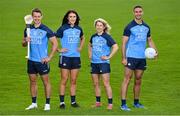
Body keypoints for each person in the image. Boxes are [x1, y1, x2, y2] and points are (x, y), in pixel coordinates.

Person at [120, 5, 158, 111]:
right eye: (136, 12)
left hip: (142, 58)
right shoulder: (129, 27)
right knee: (127, 79)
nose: (138, 13)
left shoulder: (146, 27)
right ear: (133, 13)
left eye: (140, 11)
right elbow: (123, 43)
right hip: (131, 56)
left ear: (142, 12)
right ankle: (123, 104)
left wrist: (155, 51)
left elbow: (149, 40)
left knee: (138, 80)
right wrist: (124, 58)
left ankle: (136, 103)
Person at [22, 8, 58, 111]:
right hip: (31, 60)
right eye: (35, 16)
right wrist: (25, 40)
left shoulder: (46, 30)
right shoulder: (28, 29)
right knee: (32, 82)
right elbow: (23, 44)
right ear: (32, 17)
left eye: (38, 16)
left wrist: (49, 57)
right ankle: (34, 103)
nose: (37, 18)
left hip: (42, 61)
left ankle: (47, 104)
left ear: (41, 17)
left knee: (46, 82)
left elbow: (55, 43)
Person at [56, 10, 85, 109]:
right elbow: (53, 38)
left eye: (74, 17)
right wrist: (58, 49)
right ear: (67, 18)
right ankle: (62, 102)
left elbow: (83, 37)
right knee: (64, 79)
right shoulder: (63, 28)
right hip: (65, 57)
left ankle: (73, 102)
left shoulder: (79, 29)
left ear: (76, 18)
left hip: (76, 57)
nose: (72, 18)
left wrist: (80, 47)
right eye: (70, 16)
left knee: (73, 80)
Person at [88, 18, 118, 110]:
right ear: (95, 26)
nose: (99, 27)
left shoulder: (107, 37)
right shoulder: (93, 36)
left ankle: (110, 104)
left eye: (101, 25)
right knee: (96, 83)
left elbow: (116, 47)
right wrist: (90, 54)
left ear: (104, 27)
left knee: (106, 84)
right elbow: (89, 45)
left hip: (104, 63)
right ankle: (98, 102)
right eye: (97, 25)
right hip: (94, 63)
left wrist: (108, 57)